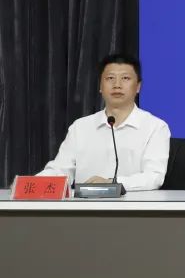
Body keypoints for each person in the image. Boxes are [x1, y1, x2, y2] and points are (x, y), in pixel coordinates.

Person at [37, 53, 170, 191]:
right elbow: (60, 170)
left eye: (125, 78)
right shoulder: (80, 127)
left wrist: (112, 183)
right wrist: (31, 185)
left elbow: (154, 177)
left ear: (138, 87)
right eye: (110, 78)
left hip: (135, 204)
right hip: (86, 204)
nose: (117, 85)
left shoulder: (155, 127)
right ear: (100, 86)